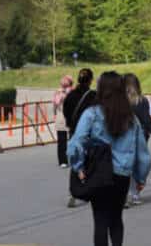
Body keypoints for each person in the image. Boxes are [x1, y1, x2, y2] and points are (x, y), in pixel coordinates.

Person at [67, 71, 151, 246]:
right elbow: (142, 153)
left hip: (98, 173)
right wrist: (140, 178)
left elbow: (75, 144)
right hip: (122, 175)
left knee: (100, 220)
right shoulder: (131, 118)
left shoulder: (91, 114)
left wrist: (78, 166)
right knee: (116, 219)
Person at [63, 68, 97, 208]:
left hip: (74, 132)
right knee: (90, 161)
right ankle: (89, 190)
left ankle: (72, 192)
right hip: (89, 133)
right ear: (90, 80)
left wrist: (71, 124)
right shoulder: (93, 96)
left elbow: (65, 111)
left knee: (75, 160)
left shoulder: (70, 95)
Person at [123, 73, 151, 208]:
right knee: (139, 162)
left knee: (126, 164)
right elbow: (146, 119)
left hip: (124, 136)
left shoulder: (120, 100)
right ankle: (135, 192)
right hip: (141, 135)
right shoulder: (141, 100)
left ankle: (126, 192)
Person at [53, 75, 74, 168]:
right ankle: (62, 160)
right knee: (62, 141)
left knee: (74, 140)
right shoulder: (58, 92)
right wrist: (61, 94)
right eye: (63, 81)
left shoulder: (73, 92)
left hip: (72, 119)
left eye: (66, 81)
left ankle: (74, 159)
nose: (63, 83)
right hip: (61, 118)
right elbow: (56, 103)